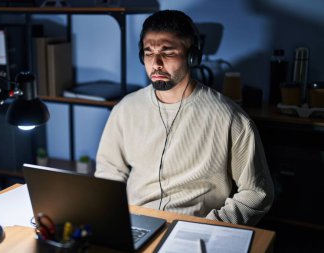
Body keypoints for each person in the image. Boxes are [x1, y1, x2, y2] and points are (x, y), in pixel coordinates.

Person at [95, 10, 274, 226]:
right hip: (134, 223)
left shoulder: (230, 118)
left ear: (192, 56)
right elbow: (109, 171)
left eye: (168, 52)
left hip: (195, 228)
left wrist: (211, 226)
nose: (156, 63)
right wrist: (114, 214)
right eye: (148, 52)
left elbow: (257, 194)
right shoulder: (126, 109)